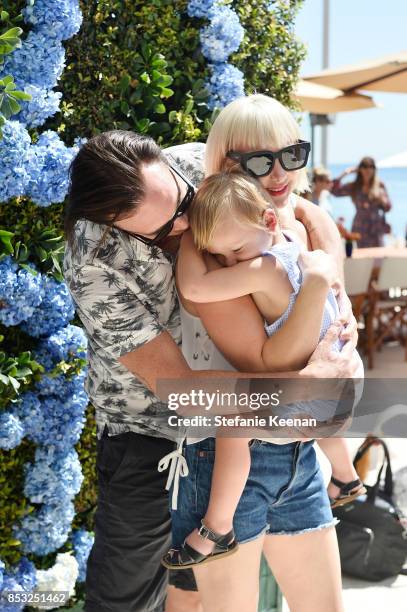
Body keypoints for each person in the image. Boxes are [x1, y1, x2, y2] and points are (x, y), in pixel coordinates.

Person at [63, 123, 359, 612]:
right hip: (150, 435)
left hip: (251, 430)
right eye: (164, 230)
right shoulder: (93, 262)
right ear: (116, 225)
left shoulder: (205, 162)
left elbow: (304, 211)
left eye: (184, 203)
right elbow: (179, 387)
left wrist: (333, 292)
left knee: (205, 596)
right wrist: (301, 388)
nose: (187, 226)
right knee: (126, 597)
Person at [164, 94, 360, 612]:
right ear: (225, 162)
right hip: (228, 455)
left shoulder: (287, 220)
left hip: (296, 450)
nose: (279, 172)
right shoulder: (214, 242)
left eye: (292, 155)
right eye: (259, 160)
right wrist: (326, 325)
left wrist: (337, 292)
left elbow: (311, 219)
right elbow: (265, 364)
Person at [331, 156, 392, 248]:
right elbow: (334, 190)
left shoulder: (380, 185)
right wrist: (346, 173)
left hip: (376, 228)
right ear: (360, 169)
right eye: (365, 166)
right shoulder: (354, 186)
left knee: (377, 257)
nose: (368, 169)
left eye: (371, 166)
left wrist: (382, 200)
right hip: (360, 227)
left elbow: (388, 207)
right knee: (361, 257)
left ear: (374, 169)